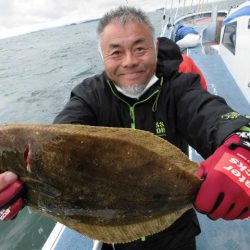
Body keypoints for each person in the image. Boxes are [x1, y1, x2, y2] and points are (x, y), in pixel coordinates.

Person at [1, 6, 249, 250]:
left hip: (176, 234)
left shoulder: (179, 88)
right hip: (117, 238)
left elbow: (214, 116)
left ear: (155, 48)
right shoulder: (89, 95)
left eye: (139, 49)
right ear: (103, 57)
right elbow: (60, 137)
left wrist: (242, 146)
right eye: (116, 53)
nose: (129, 61)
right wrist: (19, 191)